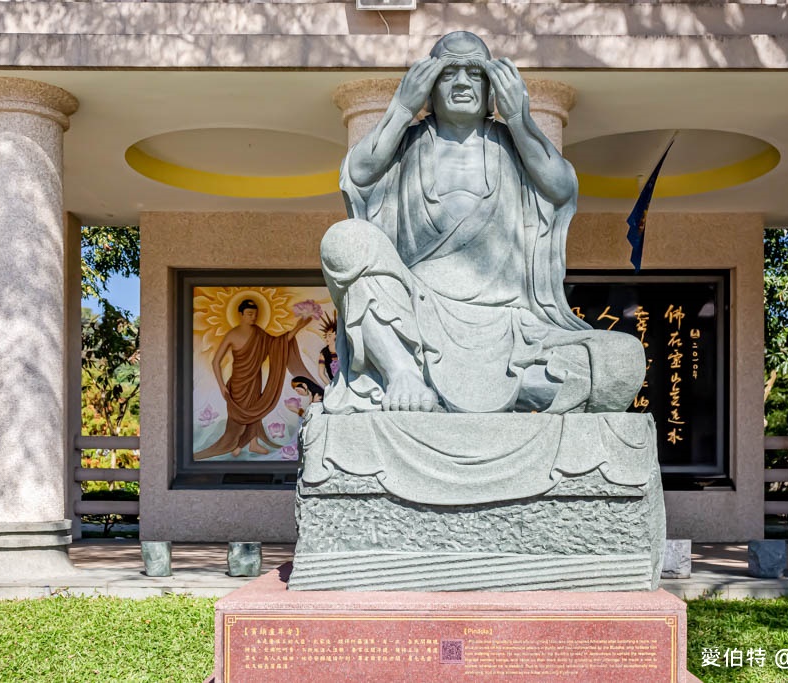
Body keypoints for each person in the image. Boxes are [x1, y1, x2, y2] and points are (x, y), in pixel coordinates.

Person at [320, 31, 644, 414]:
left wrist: (521, 118)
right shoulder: (406, 145)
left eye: (474, 72)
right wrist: (402, 108)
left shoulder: (513, 145)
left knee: (621, 360)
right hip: (414, 317)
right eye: (447, 73)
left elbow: (559, 188)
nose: (461, 83)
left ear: (492, 88)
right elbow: (358, 174)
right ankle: (402, 373)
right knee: (345, 240)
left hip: (512, 329)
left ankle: (492, 387)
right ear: (427, 85)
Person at [193, 299, 315, 460]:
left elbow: (278, 344)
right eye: (250, 314)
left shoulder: (259, 333)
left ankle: (253, 443)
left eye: (255, 314)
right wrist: (221, 385)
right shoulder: (233, 334)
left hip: (254, 380)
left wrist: (298, 327)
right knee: (238, 414)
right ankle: (235, 443)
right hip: (238, 382)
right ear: (240, 314)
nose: (253, 317)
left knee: (255, 410)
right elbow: (216, 361)